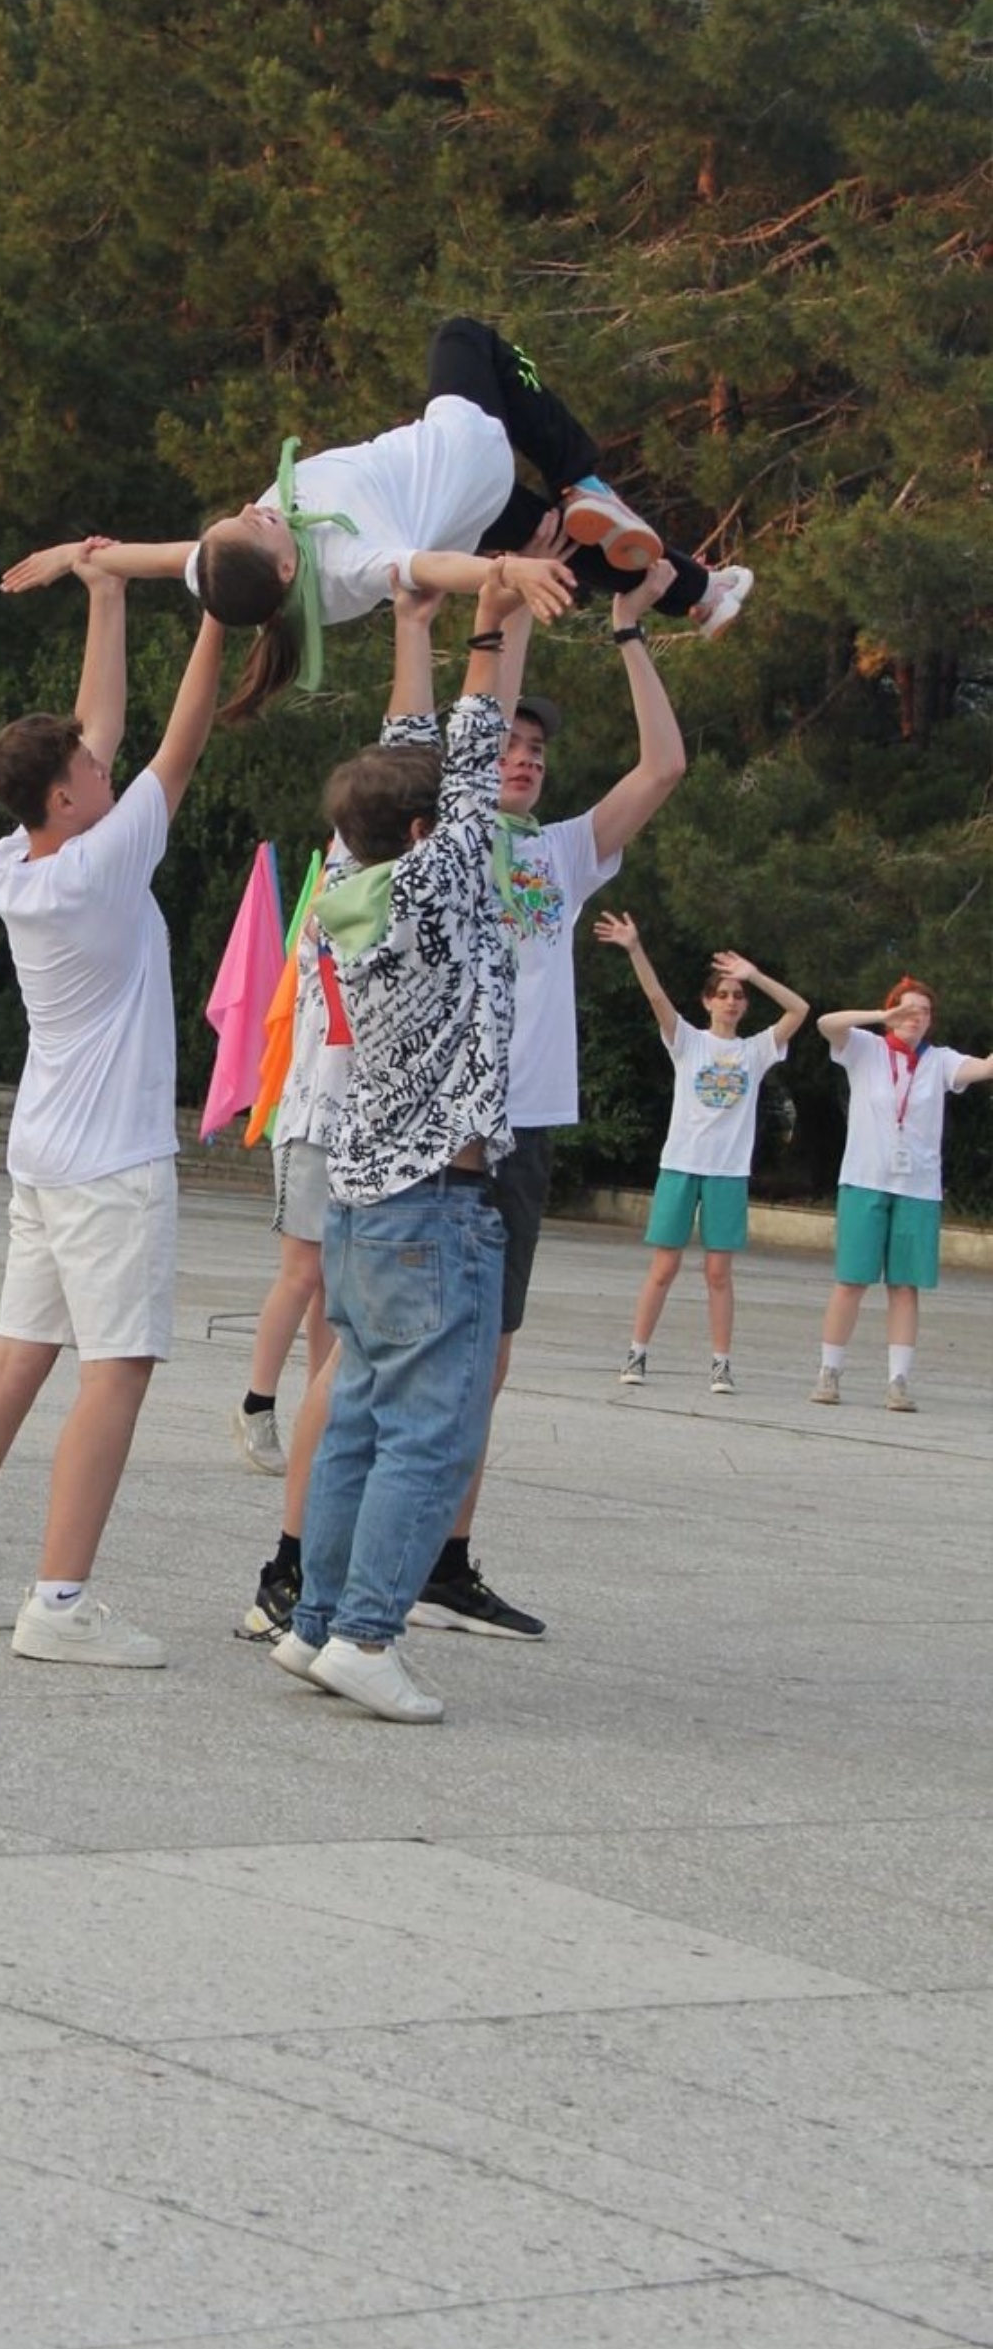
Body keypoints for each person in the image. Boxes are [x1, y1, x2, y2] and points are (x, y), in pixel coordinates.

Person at [0, 556, 226, 1666]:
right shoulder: (101, 863)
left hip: (44, 1151)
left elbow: (102, 729)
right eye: (87, 764)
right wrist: (224, 612)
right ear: (69, 797)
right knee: (113, 1367)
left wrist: (108, 590)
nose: (100, 758)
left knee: (15, 1357)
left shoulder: (13, 859)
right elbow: (177, 745)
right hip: (112, 1161)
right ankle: (63, 1599)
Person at [404, 563, 688, 1642]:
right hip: (441, 1114)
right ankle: (327, 1551)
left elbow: (664, 763)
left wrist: (627, 630)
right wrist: (504, 593)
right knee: (404, 1335)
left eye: (538, 750)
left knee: (494, 1343)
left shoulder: (565, 854)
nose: (523, 758)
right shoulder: (446, 837)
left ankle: (446, 1557)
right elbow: (452, 731)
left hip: (524, 1122)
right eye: (508, 744)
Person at [2, 317, 751, 722]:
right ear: (289, 565)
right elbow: (427, 573)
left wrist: (83, 554)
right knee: (465, 339)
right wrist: (505, 573)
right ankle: (583, 477)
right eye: (259, 523)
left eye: (238, 515)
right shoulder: (347, 563)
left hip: (465, 512)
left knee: (558, 540)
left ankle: (701, 594)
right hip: (463, 450)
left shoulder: (234, 575)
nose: (250, 509)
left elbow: (166, 558)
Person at [271, 569, 524, 1723]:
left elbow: (415, 759)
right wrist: (494, 612)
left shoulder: (356, 881)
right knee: (429, 1428)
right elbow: (464, 759)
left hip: (366, 1192)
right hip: (436, 1197)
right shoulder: (438, 879)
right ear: (428, 837)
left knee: (362, 1415)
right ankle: (367, 1632)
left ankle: (316, 1619)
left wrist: (418, 628)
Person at [596, 915, 809, 1394]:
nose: (731, 1002)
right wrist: (634, 947)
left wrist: (754, 974)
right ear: (707, 1001)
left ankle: (720, 1363)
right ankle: (637, 1352)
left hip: (727, 1173)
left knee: (718, 1272)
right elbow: (655, 998)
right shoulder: (689, 1041)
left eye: (738, 995)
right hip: (680, 1165)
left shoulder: (756, 1050)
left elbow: (799, 1010)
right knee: (664, 1267)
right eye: (723, 994)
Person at [232, 772, 360, 1488]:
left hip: (357, 1126)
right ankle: (257, 1403)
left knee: (334, 1283)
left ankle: (323, 1406)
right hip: (311, 1114)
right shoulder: (332, 907)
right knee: (303, 1270)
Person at [810, 979, 993, 1412]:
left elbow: (986, 1068)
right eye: (906, 1009)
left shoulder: (941, 1061)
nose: (914, 1017)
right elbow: (824, 1023)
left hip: (917, 1189)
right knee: (851, 1281)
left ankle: (898, 1381)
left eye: (923, 1011)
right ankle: (829, 1372)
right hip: (865, 1180)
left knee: (905, 1287)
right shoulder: (865, 1048)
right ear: (890, 1010)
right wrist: (879, 1018)